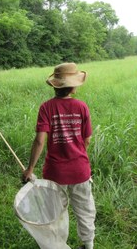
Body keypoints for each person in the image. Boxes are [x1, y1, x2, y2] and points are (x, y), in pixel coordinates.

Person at [22, 62, 96, 249]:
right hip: (80, 170)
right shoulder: (82, 107)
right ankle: (88, 246)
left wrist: (30, 168)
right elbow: (86, 140)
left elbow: (40, 140)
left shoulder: (46, 108)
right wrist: (78, 155)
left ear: (55, 85)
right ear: (73, 86)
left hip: (55, 173)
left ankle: (57, 245)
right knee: (85, 210)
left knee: (55, 212)